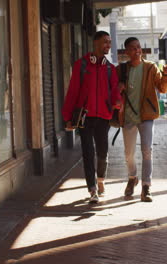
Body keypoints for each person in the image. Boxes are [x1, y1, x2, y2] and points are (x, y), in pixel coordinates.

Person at [62, 31, 121, 203]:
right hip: (84, 116)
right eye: (105, 42)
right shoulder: (81, 66)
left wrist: (117, 101)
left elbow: (115, 90)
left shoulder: (110, 68)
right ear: (95, 43)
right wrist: (67, 117)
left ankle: (101, 179)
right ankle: (92, 189)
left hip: (103, 116)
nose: (108, 45)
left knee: (102, 151)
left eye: (109, 42)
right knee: (88, 152)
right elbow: (72, 92)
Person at [117, 37, 167, 202]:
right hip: (128, 117)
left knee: (147, 151)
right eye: (133, 48)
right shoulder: (122, 69)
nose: (137, 50)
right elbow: (114, 91)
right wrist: (119, 89)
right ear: (127, 52)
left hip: (146, 116)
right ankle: (132, 178)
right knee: (128, 154)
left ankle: (146, 186)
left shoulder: (150, 67)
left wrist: (166, 74)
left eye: (139, 47)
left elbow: (163, 87)